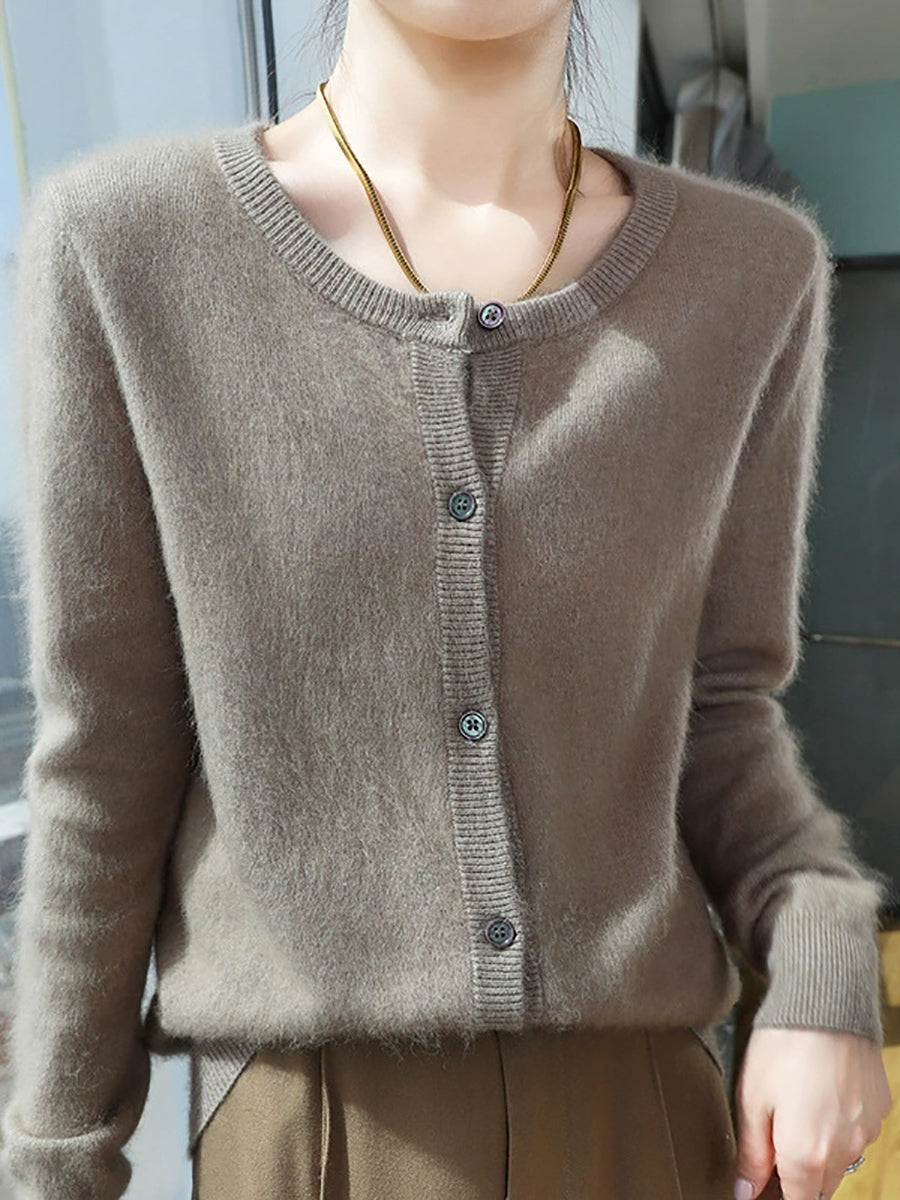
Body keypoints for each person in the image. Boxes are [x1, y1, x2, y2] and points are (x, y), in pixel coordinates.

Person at [0, 1, 894, 1198]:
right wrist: (55, 1167)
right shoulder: (126, 247)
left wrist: (821, 953)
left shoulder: (750, 273)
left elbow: (720, 709)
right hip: (306, 1135)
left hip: (645, 1118)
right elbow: (108, 751)